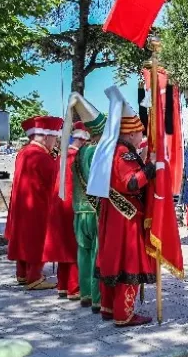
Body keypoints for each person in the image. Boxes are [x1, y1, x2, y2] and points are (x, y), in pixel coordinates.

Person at [88, 86, 156, 326]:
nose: (141, 137)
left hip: (113, 213)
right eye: (139, 133)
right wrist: (152, 168)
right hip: (125, 217)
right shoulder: (124, 153)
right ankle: (124, 314)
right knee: (128, 262)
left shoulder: (113, 150)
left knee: (112, 262)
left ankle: (108, 308)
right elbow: (131, 182)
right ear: (130, 134)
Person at [4, 116, 63, 290]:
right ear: (46, 137)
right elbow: (56, 178)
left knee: (23, 239)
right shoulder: (40, 156)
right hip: (37, 206)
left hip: (22, 204)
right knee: (38, 240)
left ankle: (22, 274)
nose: (55, 141)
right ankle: (35, 277)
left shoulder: (24, 152)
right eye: (54, 138)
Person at [65, 93, 106, 312]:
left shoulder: (80, 151)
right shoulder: (98, 152)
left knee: (83, 253)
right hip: (94, 210)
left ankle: (85, 294)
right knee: (96, 253)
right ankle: (97, 298)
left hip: (78, 210)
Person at [43, 121, 90, 300]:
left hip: (58, 206)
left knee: (64, 245)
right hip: (72, 207)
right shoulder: (76, 158)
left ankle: (63, 285)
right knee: (75, 247)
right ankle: (74, 287)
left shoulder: (61, 157)